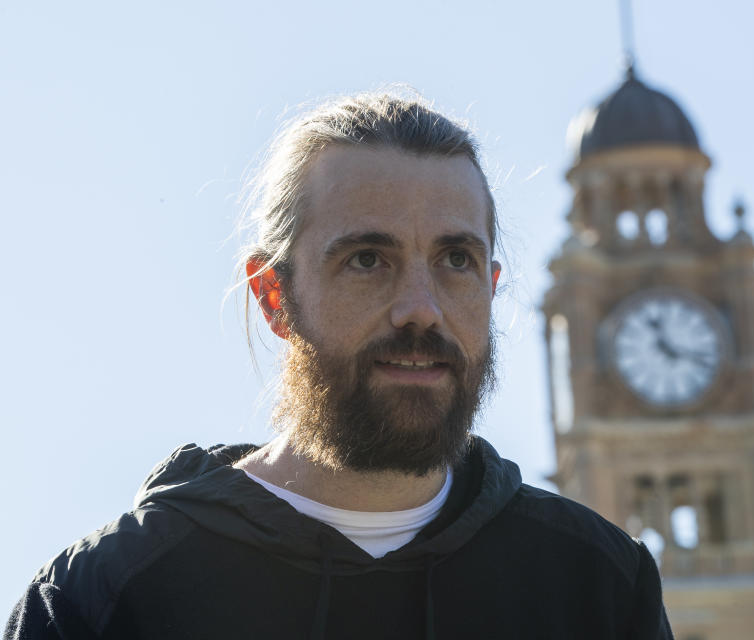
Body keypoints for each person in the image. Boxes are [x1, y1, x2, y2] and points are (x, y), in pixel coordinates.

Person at [5, 93, 673, 639]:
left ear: (493, 288)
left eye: (455, 261)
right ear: (275, 297)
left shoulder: (598, 587)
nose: (422, 310)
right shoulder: (101, 600)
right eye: (366, 260)